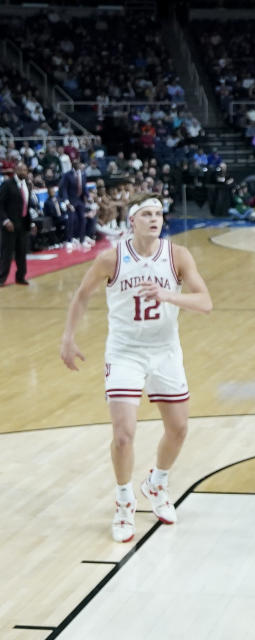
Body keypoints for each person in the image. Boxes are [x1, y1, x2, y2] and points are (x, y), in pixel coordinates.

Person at [60, 193, 213, 542]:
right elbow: (82, 294)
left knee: (178, 429)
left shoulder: (177, 256)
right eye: (146, 213)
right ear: (132, 221)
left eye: (158, 213)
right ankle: (124, 500)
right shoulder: (111, 259)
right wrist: (68, 337)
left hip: (165, 351)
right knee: (124, 434)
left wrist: (169, 295)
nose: (154, 218)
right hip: (125, 352)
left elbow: (205, 302)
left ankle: (156, 484)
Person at [0, 162, 35, 286]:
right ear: (16, 171)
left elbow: (27, 205)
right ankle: (1, 279)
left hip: (23, 223)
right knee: (7, 253)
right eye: (21, 170)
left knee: (22, 252)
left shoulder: (27, 185)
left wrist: (31, 224)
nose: (24, 172)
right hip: (10, 224)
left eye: (25, 170)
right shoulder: (7, 184)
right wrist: (5, 220)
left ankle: (20, 277)